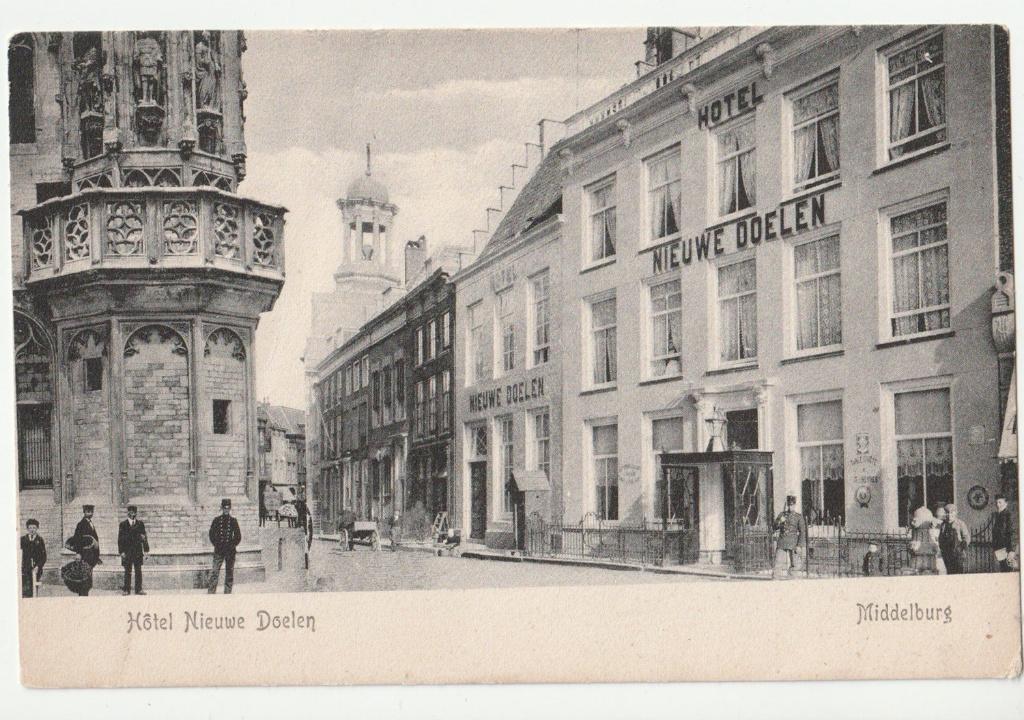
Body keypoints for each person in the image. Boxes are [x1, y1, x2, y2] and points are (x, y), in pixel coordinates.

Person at [208, 498, 242, 594]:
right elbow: (211, 534)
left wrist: (231, 545)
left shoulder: (233, 521)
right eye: (224, 508)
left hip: (230, 552)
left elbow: (238, 537)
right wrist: (217, 544)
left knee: (229, 573)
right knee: (214, 572)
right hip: (219, 551)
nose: (226, 510)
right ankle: (211, 593)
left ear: (230, 508)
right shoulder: (217, 520)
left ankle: (227, 594)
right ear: (221, 508)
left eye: (228, 508)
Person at [117, 505, 150, 595]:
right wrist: (121, 552)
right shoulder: (123, 525)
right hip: (127, 551)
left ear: (136, 513)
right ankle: (126, 589)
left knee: (138, 570)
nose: (132, 513)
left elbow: (144, 537)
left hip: (138, 551)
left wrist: (146, 550)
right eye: (130, 511)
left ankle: (138, 589)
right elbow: (120, 539)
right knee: (127, 570)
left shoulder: (140, 524)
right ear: (128, 513)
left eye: (134, 512)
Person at [772, 495, 806, 579]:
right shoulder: (782, 514)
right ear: (787, 505)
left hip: (793, 542)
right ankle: (775, 578)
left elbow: (802, 532)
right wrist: (780, 521)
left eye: (792, 505)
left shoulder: (798, 516)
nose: (791, 507)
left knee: (795, 563)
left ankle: (791, 577)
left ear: (795, 505)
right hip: (782, 541)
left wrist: (799, 545)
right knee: (778, 561)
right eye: (789, 505)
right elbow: (774, 527)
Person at [66, 504, 102, 569]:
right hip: (84, 554)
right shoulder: (81, 524)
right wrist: (78, 553)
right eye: (88, 512)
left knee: (89, 573)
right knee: (85, 573)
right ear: (84, 512)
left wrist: (96, 556)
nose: (90, 514)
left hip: (92, 554)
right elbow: (77, 539)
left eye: (91, 512)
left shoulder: (91, 523)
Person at [938, 503, 971, 575]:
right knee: (949, 573)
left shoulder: (960, 523)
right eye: (947, 512)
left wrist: (962, 546)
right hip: (947, 554)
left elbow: (966, 537)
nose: (950, 515)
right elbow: (940, 538)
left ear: (956, 513)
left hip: (957, 554)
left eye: (952, 512)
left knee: (958, 574)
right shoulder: (943, 525)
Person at [909, 505, 940, 574]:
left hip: (927, 561)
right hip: (919, 561)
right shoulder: (916, 532)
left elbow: (935, 546)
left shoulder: (930, 531)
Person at [20, 519, 46, 598]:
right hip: (25, 568)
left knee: (34, 588)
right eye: (30, 528)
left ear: (37, 528)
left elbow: (43, 556)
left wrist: (38, 566)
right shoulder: (22, 540)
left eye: (34, 528)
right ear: (27, 529)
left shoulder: (40, 540)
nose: (32, 530)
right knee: (25, 588)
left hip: (36, 568)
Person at [992, 494, 1018, 572]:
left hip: (1006, 549)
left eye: (1000, 502)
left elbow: (1012, 532)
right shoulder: (999, 515)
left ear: (1006, 503)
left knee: (1007, 571)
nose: (997, 505)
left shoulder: (1008, 515)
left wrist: (1011, 550)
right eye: (996, 503)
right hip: (999, 549)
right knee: (1003, 569)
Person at [294, 489, 313, 568]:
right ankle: (306, 555)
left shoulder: (303, 509)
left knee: (306, 542)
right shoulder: (301, 509)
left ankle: (306, 555)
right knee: (306, 543)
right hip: (305, 527)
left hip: (306, 527)